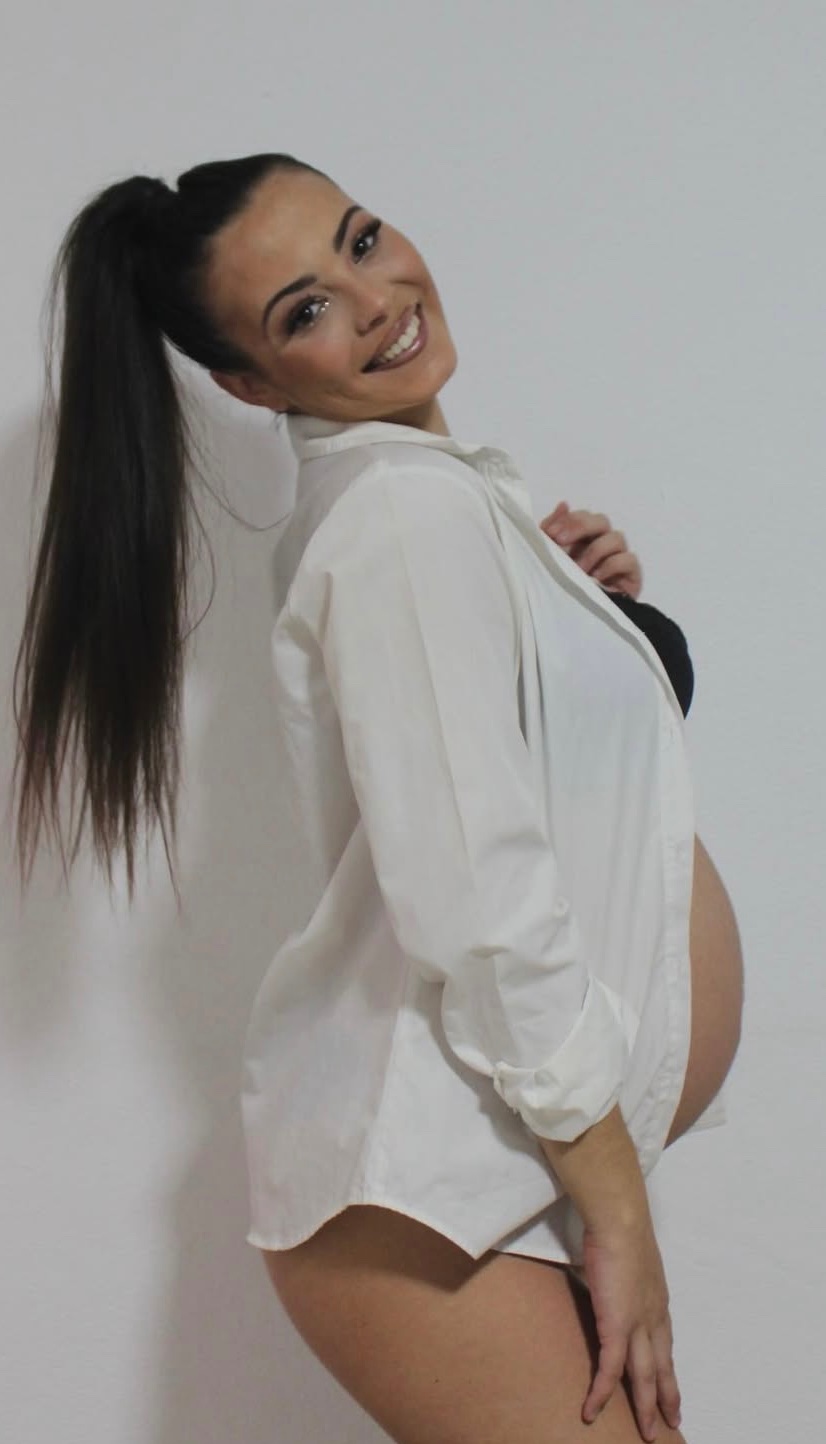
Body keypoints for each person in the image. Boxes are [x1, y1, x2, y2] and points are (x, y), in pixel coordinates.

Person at [10, 152, 744, 1444]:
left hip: (499, 1169)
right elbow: (480, 900)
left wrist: (592, 625)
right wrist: (621, 1210)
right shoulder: (399, 519)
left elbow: (547, 806)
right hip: (436, 1201)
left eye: (360, 240)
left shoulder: (431, 503)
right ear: (251, 383)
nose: (375, 297)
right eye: (304, 309)